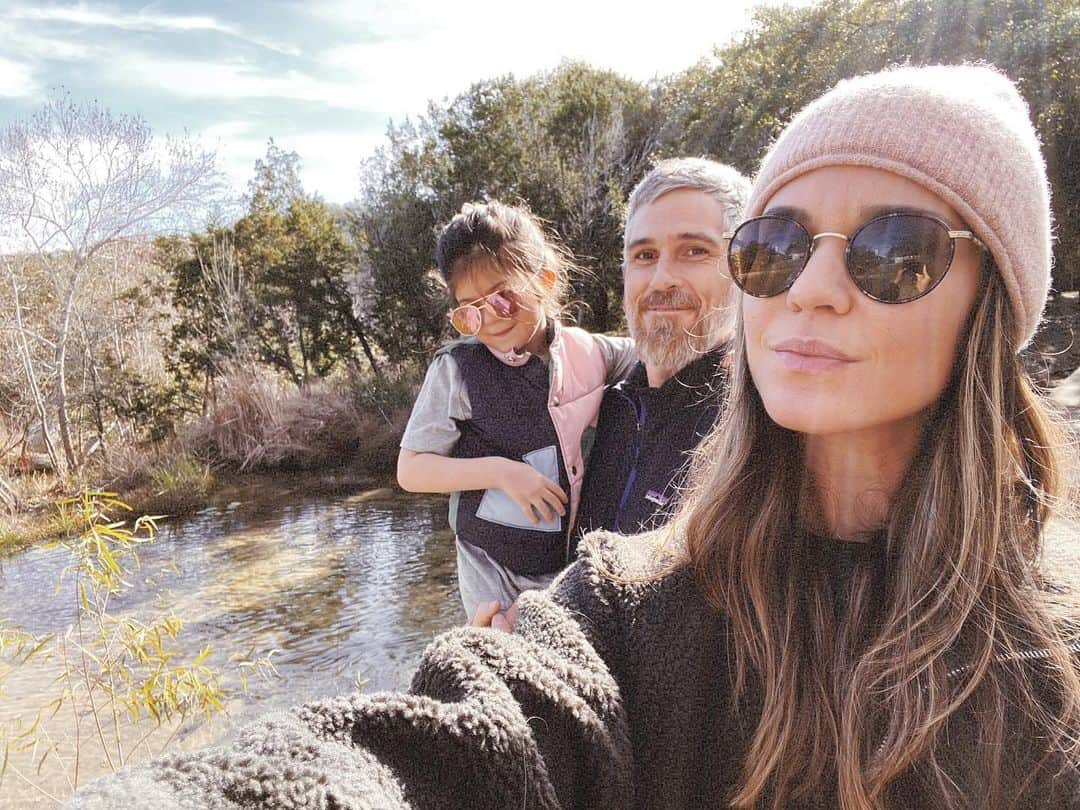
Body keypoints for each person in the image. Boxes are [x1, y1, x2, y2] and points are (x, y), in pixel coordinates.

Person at [73, 64, 1080, 809]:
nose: (812, 286)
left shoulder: (1054, 647)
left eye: (892, 250)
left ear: (995, 302)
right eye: (774, 248)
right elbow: (467, 742)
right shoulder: (632, 584)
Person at [396, 201, 635, 619]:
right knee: (501, 659)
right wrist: (503, 472)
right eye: (469, 311)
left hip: (567, 566)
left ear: (544, 278)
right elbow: (411, 469)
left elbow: (658, 356)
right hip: (491, 571)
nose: (489, 319)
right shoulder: (456, 370)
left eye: (503, 298)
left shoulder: (591, 352)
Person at [573, 158, 749, 539]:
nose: (662, 278)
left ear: (743, 267)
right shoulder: (612, 407)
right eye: (645, 255)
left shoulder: (753, 422)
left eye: (695, 251)